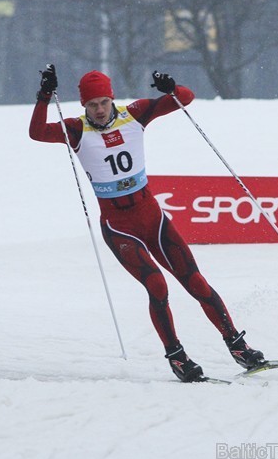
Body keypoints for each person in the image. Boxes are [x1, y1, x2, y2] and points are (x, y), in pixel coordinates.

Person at [28, 64, 264, 382]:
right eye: (92, 105)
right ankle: (178, 357)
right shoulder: (76, 129)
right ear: (84, 106)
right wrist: (44, 96)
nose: (99, 110)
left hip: (152, 218)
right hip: (119, 226)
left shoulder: (134, 113)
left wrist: (171, 87)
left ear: (112, 100)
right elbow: (37, 133)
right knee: (157, 285)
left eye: (103, 102)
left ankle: (237, 345)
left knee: (195, 282)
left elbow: (186, 98)